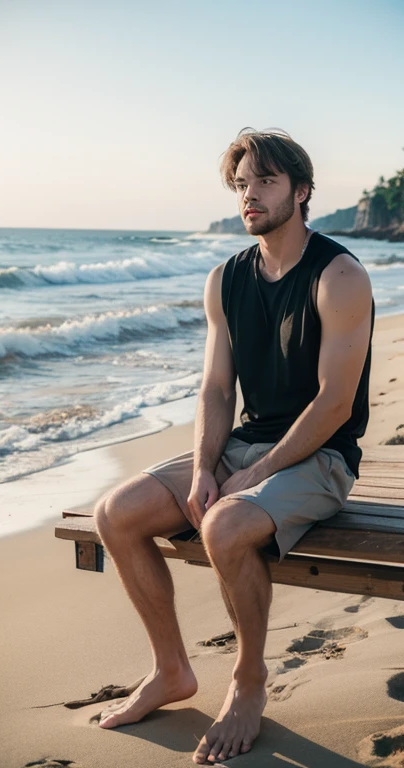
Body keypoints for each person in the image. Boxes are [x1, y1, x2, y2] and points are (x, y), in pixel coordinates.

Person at [94, 128, 374, 763]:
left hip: (322, 455)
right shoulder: (225, 278)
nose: (250, 195)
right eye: (242, 183)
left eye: (266, 182)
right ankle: (171, 672)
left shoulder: (339, 276)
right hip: (246, 443)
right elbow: (217, 389)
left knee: (223, 526)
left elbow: (334, 404)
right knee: (117, 512)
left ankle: (249, 682)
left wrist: (262, 472)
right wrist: (202, 467)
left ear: (302, 192)